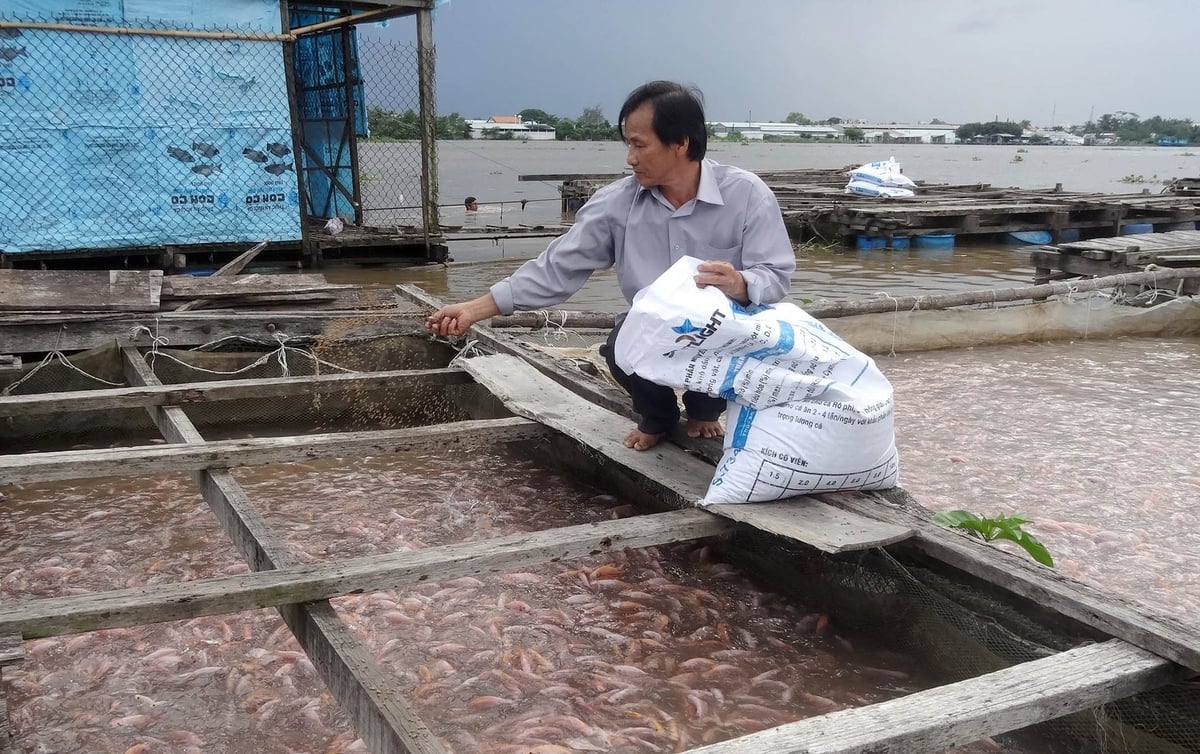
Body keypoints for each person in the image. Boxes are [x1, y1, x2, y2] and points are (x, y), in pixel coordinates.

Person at [426, 80, 795, 451]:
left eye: (639, 144)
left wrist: (739, 283)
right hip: (653, 330)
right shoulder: (616, 203)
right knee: (621, 346)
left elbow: (775, 275)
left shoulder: (746, 194)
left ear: (681, 143)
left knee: (751, 340)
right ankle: (658, 417)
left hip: (724, 330)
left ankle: (705, 411)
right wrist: (474, 310)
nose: (630, 158)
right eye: (628, 144)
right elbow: (556, 269)